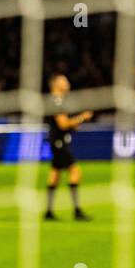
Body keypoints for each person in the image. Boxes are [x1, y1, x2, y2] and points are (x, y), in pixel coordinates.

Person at [45, 74, 92, 221]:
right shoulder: (57, 101)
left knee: (55, 174)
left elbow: (65, 125)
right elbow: (63, 124)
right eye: (64, 81)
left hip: (57, 141)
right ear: (56, 84)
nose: (68, 83)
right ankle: (77, 210)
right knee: (75, 171)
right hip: (59, 142)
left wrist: (74, 124)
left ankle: (49, 211)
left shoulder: (58, 100)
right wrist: (82, 118)